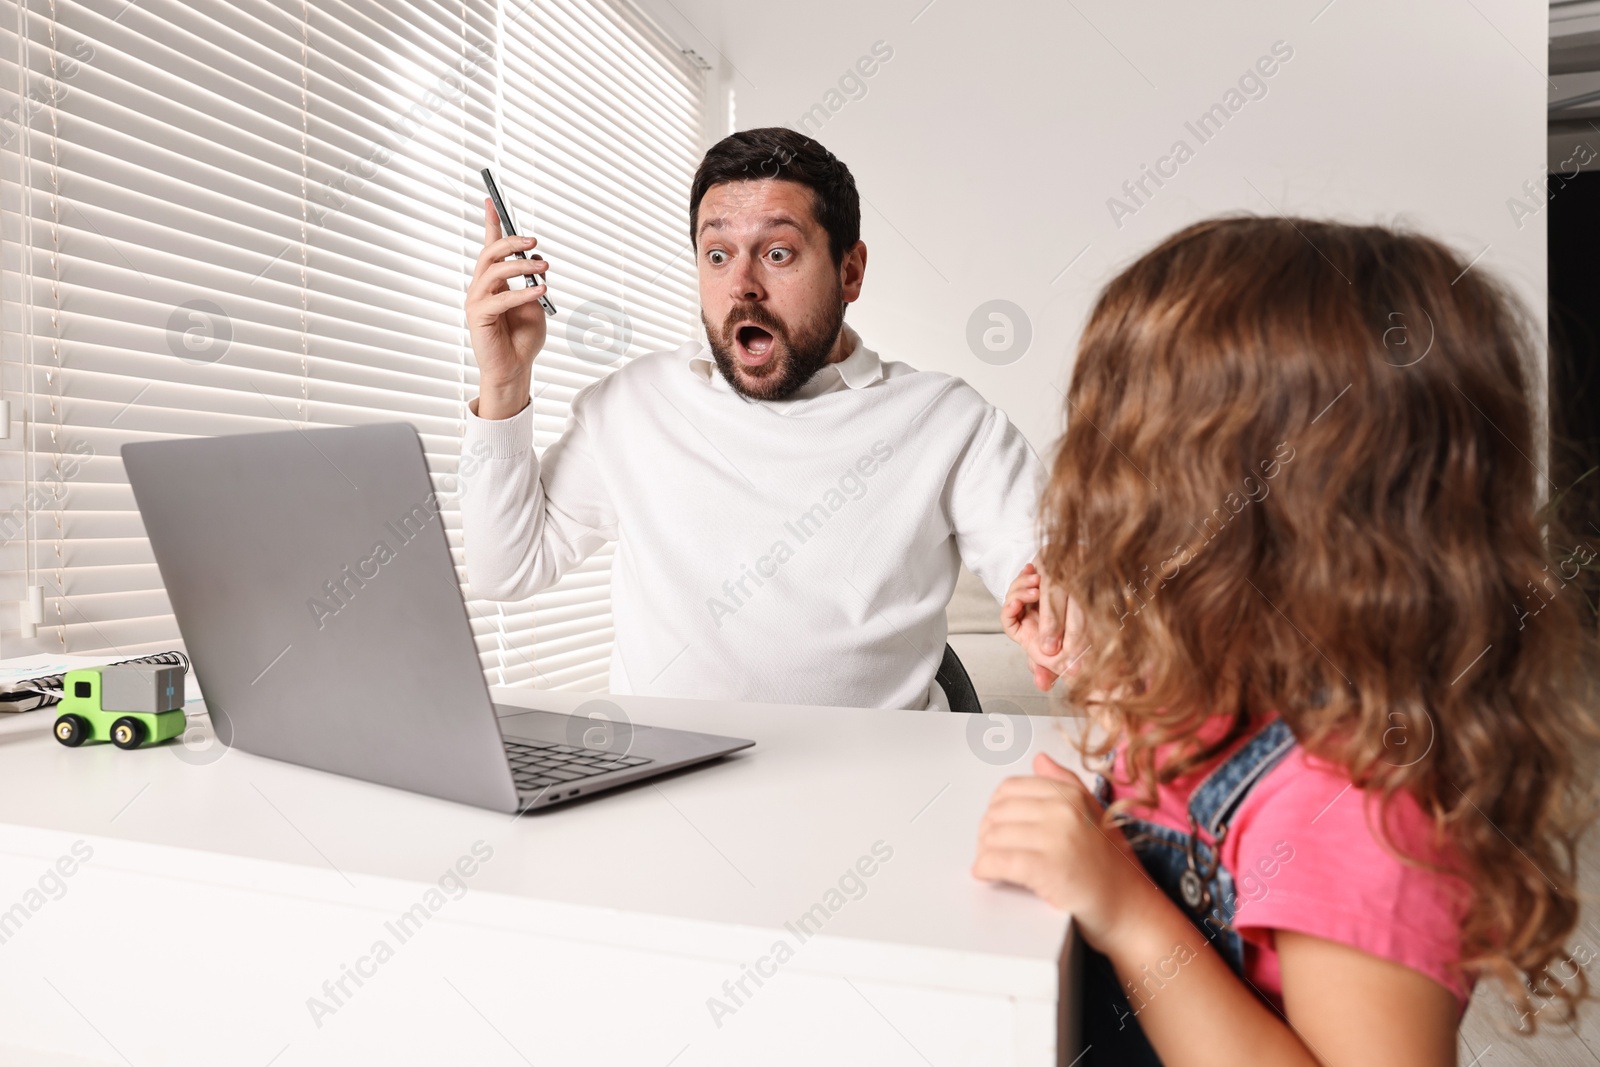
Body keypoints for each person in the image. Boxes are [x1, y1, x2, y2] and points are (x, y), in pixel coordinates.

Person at [974, 216, 1600, 1065]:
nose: (1091, 478)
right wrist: (1080, 651)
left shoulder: (1357, 816)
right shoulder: (1250, 682)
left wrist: (1122, 905)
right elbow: (1190, 757)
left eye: (1124, 448)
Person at [459, 128, 1041, 710]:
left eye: (777, 253)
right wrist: (504, 381)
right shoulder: (632, 407)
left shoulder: (947, 422)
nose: (741, 287)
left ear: (850, 272)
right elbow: (504, 569)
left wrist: (1064, 615)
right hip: (671, 782)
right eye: (717, 256)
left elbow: (1054, 578)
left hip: (874, 784)